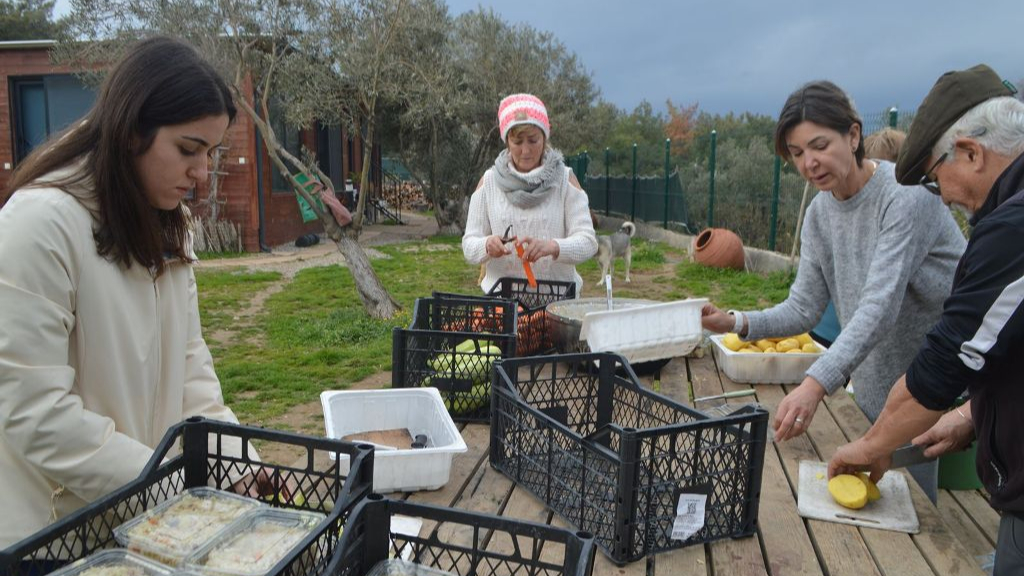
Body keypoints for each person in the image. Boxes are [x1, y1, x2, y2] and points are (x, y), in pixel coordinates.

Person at [0, 37, 260, 550]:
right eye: (188, 149)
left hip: (144, 520)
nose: (202, 173)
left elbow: (190, 364)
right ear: (130, 130)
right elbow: (35, 411)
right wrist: (167, 479)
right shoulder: (37, 226)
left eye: (211, 152)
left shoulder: (170, 223)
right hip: (53, 538)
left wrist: (238, 462)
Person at [700, 80, 966, 501]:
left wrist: (815, 384)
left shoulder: (906, 197)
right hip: (874, 385)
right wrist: (737, 321)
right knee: (878, 509)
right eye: (797, 153)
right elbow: (805, 307)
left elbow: (879, 306)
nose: (809, 162)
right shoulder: (820, 213)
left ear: (854, 135)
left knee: (915, 513)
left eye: (819, 145)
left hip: (930, 386)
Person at [830, 65, 1024, 575]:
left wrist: (873, 446)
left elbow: (944, 362)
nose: (946, 198)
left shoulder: (1013, 230)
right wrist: (967, 418)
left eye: (938, 182)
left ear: (971, 153)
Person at [462, 93, 598, 294]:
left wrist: (553, 247)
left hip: (557, 305)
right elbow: (469, 246)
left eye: (533, 140)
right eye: (517, 142)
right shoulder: (489, 183)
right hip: (502, 306)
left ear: (544, 137)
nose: (525, 150)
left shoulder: (565, 180)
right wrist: (486, 245)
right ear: (507, 141)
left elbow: (588, 242)